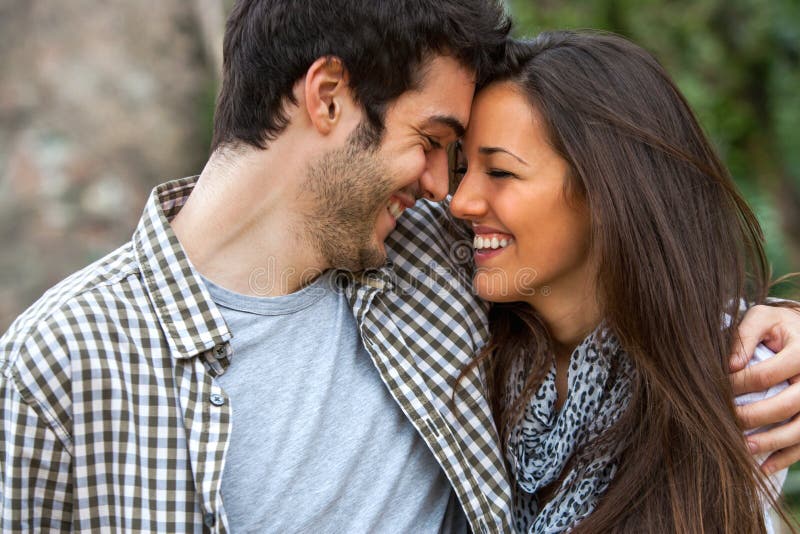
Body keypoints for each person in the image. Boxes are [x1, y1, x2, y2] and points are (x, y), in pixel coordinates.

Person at [0, 2, 799, 531]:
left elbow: (620, 275)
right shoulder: (62, 362)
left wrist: (778, 342)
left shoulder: (431, 263)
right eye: (432, 142)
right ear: (328, 97)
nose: (442, 190)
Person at [450, 31, 799, 533]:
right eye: (462, 169)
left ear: (605, 189)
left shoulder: (732, 376)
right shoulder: (466, 343)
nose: (460, 202)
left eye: (500, 172)